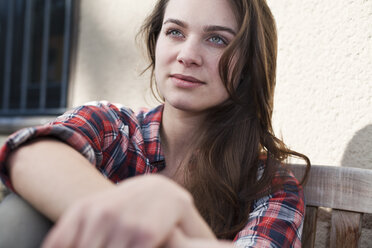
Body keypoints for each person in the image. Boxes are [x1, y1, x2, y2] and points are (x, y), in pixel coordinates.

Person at [0, 0, 310, 247]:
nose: (187, 55)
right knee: (23, 215)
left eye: (217, 39)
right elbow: (29, 153)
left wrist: (175, 209)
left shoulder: (269, 187)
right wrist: (156, 224)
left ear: (248, 64)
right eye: (175, 32)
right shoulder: (116, 129)